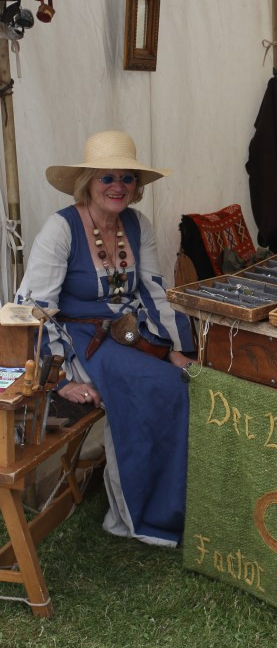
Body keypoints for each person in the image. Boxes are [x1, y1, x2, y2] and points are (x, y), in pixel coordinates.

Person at [16, 130, 195, 547]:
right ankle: (141, 512)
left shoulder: (137, 224)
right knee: (165, 388)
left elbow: (151, 288)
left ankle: (193, 490)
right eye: (107, 177)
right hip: (79, 338)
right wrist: (59, 379)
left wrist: (173, 349)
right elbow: (34, 308)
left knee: (202, 355)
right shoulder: (61, 229)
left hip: (131, 328)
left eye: (127, 178)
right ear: (88, 183)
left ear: (136, 188)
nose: (118, 186)